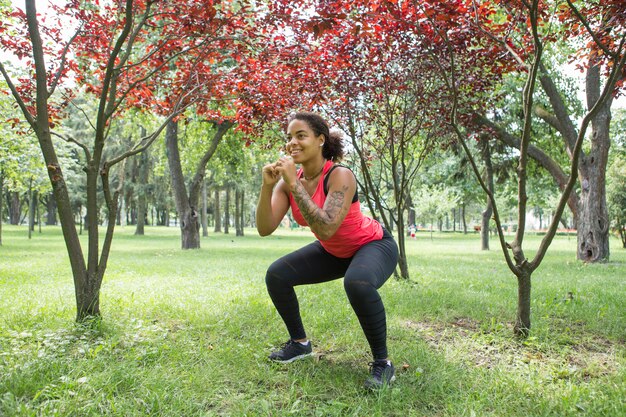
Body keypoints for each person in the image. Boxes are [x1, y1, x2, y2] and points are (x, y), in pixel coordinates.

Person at [256, 111, 399, 390]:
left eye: (301, 135)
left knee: (357, 282)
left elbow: (326, 228)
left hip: (372, 245)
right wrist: (267, 186)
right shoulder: (288, 181)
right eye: (289, 137)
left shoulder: (340, 175)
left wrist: (294, 184)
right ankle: (300, 344)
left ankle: (383, 363)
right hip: (334, 250)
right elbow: (265, 227)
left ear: (320, 140)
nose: (292, 143)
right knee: (277, 275)